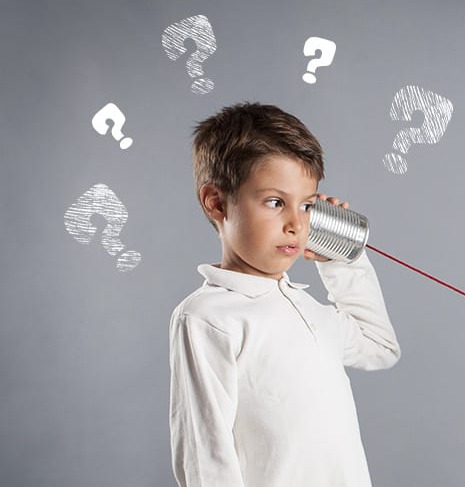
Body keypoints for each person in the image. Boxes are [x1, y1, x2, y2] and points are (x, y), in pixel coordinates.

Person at [168, 102, 400, 487]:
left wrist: (341, 257)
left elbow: (380, 347)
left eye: (307, 205)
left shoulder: (309, 309)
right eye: (275, 202)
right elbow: (205, 455)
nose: (296, 224)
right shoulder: (208, 317)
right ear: (217, 202)